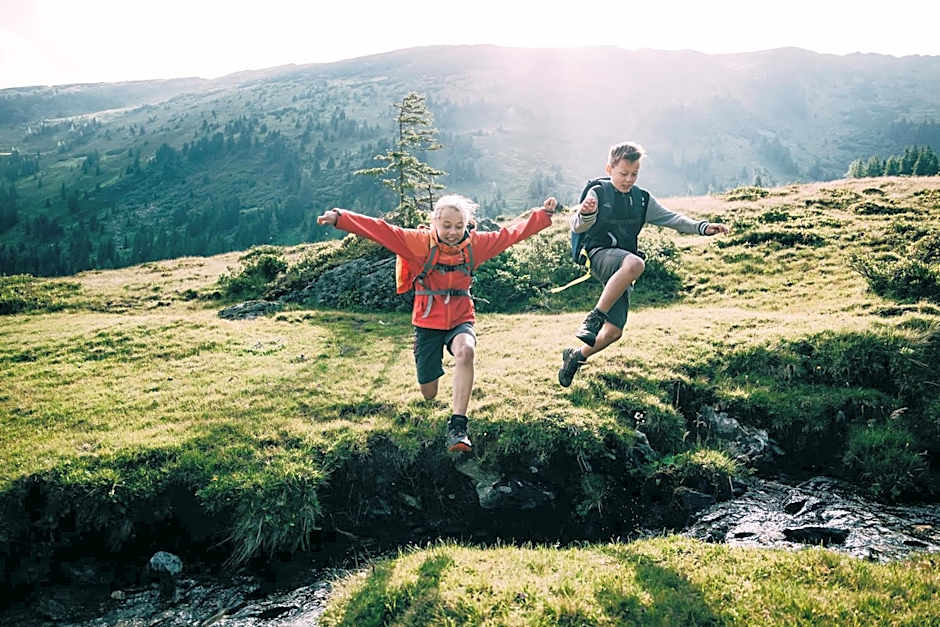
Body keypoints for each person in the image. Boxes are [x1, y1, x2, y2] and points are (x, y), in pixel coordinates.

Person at [318, 194, 557, 452]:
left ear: (467, 224)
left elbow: (510, 234)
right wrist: (340, 218)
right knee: (429, 392)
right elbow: (381, 230)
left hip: (460, 317)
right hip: (427, 322)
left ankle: (458, 426)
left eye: (458, 226)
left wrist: (543, 216)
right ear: (434, 222)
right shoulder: (417, 242)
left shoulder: (476, 245)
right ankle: (432, 378)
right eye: (446, 226)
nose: (453, 232)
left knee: (466, 351)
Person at [558, 141, 729, 387]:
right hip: (599, 255)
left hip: (623, 268)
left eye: (634, 174)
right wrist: (585, 213)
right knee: (636, 264)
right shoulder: (598, 192)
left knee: (614, 332)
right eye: (623, 174)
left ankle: (576, 356)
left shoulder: (641, 200)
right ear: (609, 169)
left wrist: (702, 227)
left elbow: (672, 218)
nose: (628, 179)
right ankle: (593, 318)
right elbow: (577, 226)